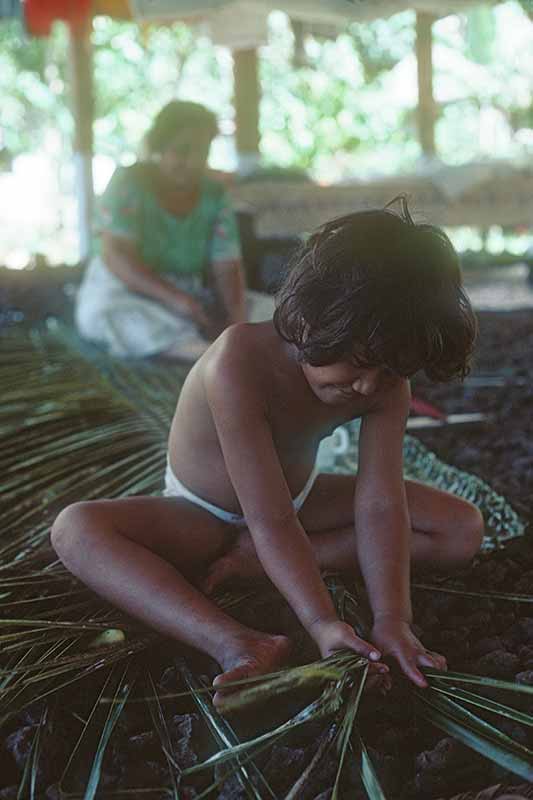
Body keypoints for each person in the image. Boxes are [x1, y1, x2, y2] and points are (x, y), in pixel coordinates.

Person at [52, 198, 484, 708]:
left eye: (391, 370)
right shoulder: (237, 363)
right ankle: (234, 641)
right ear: (308, 319)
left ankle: (251, 564)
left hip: (299, 502)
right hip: (204, 513)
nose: (368, 385)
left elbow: (381, 503)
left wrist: (393, 620)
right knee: (75, 528)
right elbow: (270, 517)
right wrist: (324, 623)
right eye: (360, 362)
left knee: (462, 527)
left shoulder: (385, 383)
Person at [75, 100, 274, 361]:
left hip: (191, 293)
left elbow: (228, 268)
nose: (191, 162)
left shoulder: (215, 195)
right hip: (124, 291)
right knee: (111, 316)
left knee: (274, 312)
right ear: (160, 148)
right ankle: (202, 353)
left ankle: (222, 349)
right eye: (181, 151)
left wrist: (235, 326)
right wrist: (179, 301)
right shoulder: (128, 183)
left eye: (200, 152)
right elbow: (116, 256)